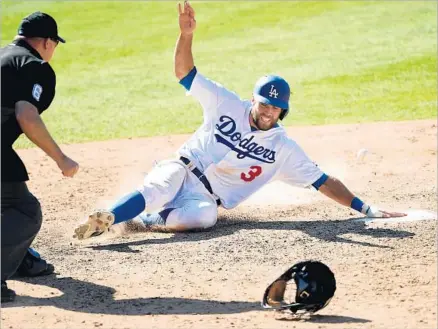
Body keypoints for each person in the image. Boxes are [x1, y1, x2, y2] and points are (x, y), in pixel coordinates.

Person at [73, 1, 405, 241]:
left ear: (283, 111)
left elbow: (322, 181)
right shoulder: (224, 102)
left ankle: (146, 219)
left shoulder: (283, 149)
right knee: (162, 185)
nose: (268, 112)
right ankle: (108, 218)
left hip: (202, 200)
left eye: (275, 108)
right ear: (253, 99)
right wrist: (186, 35)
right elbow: (184, 74)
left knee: (205, 218)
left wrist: (366, 208)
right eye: (264, 104)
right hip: (182, 168)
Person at [1, 11, 79, 302]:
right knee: (23, 211)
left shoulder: (4, 56)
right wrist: (61, 159)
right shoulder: (35, 66)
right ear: (47, 42)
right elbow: (27, 115)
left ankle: (19, 258)